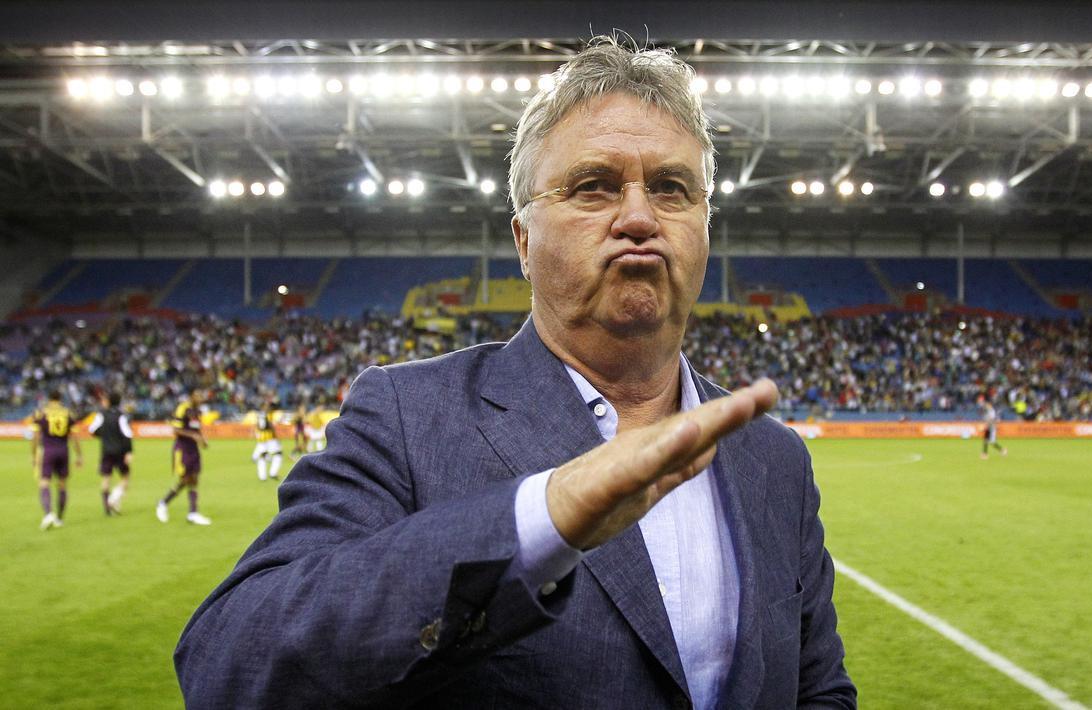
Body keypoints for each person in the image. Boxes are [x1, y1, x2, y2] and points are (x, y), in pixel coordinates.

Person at [176, 38, 855, 709]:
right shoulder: (410, 418)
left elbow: (817, 688)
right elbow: (230, 662)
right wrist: (540, 520)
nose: (640, 216)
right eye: (593, 187)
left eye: (672, 188)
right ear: (524, 242)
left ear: (704, 226)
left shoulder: (775, 459)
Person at [156, 390, 211, 525]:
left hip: (194, 449)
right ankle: (163, 503)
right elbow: (176, 429)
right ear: (191, 395)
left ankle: (193, 513)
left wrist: (202, 439)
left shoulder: (198, 411)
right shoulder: (183, 408)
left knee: (194, 479)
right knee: (185, 479)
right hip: (182, 449)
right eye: (198, 395)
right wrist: (193, 436)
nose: (200, 398)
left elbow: (196, 429)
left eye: (201, 396)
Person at [33, 391, 82, 530]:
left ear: (49, 399)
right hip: (63, 450)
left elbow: (36, 435)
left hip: (48, 450)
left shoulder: (41, 413)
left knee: (44, 482)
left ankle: (48, 513)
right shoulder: (68, 413)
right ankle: (59, 518)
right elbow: (74, 436)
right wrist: (79, 455)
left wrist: (33, 455)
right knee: (62, 484)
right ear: (60, 399)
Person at [88, 390, 134, 515]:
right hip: (120, 451)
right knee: (125, 477)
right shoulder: (121, 415)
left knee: (106, 479)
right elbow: (127, 434)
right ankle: (114, 498)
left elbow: (92, 430)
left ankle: (107, 509)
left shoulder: (101, 415)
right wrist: (129, 451)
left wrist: (104, 434)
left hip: (106, 450)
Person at [251, 399, 283, 481]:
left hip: (265, 439)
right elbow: (263, 426)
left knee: (264, 456)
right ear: (262, 407)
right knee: (276, 454)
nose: (268, 407)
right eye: (266, 406)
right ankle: (271, 473)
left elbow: (260, 426)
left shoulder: (264, 415)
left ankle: (263, 476)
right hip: (268, 439)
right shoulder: (264, 415)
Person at [979, 394, 1008, 459]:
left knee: (992, 442)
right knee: (985, 440)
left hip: (992, 428)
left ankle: (1002, 450)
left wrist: (986, 426)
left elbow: (992, 420)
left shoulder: (991, 411)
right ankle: (985, 454)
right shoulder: (986, 411)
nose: (984, 405)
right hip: (988, 427)